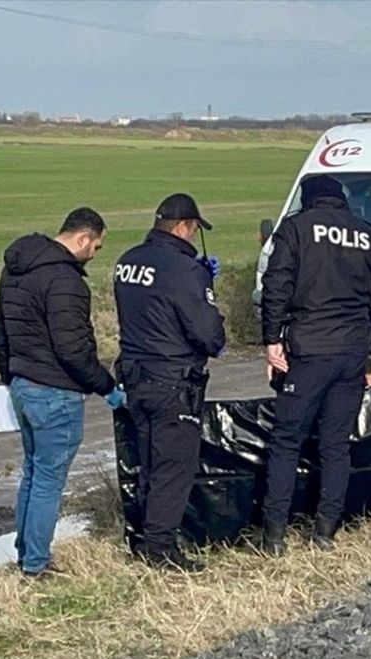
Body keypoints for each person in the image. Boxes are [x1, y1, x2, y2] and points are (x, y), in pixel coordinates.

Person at [258, 175, 371, 555]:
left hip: (309, 350)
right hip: (352, 353)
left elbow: (276, 286)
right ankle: (325, 534)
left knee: (286, 440)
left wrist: (272, 340)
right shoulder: (368, 234)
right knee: (335, 445)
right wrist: (364, 332)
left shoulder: (295, 229)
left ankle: (274, 537)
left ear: (308, 200)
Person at [0, 207, 124, 579]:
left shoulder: (15, 268)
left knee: (33, 474)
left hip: (21, 385)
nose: (94, 255)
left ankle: (25, 554)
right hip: (56, 393)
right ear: (83, 238)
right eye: (96, 247)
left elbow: (0, 331)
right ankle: (36, 565)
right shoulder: (65, 281)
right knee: (49, 479)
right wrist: (107, 388)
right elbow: (74, 350)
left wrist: (11, 376)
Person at [113, 193, 225, 572]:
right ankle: (160, 550)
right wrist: (207, 293)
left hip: (134, 376)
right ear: (181, 227)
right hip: (172, 381)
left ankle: (144, 538)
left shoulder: (126, 262)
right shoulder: (185, 271)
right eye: (193, 229)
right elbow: (209, 336)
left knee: (147, 462)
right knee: (172, 468)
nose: (194, 237)